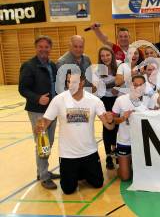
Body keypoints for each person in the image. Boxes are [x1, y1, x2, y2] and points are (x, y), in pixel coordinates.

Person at [36, 71, 114, 194]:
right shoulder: (58, 100)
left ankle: (81, 172)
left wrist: (111, 120)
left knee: (98, 183)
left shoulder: (94, 100)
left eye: (74, 82)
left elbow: (109, 127)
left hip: (89, 152)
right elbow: (44, 123)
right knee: (68, 190)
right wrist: (40, 126)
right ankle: (78, 173)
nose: (71, 85)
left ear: (82, 82)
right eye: (68, 82)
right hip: (68, 154)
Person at [18, 35, 60, 190]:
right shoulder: (29, 66)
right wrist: (37, 98)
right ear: (36, 48)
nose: (43, 49)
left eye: (46, 47)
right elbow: (22, 89)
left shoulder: (52, 65)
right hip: (37, 111)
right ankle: (43, 176)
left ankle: (43, 171)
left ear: (50, 48)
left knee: (49, 142)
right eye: (40, 47)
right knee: (43, 143)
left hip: (52, 110)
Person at [112, 75, 149, 181]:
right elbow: (113, 120)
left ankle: (132, 162)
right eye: (135, 85)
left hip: (142, 142)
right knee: (125, 177)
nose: (137, 88)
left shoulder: (149, 99)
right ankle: (124, 163)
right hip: (125, 141)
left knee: (144, 176)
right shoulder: (121, 100)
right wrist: (124, 117)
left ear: (144, 86)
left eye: (140, 85)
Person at [93, 47, 120, 170]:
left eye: (107, 55)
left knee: (118, 127)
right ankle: (108, 156)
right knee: (107, 127)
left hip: (117, 100)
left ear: (112, 55)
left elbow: (125, 80)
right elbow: (100, 88)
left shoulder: (120, 65)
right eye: (102, 56)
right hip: (104, 100)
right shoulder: (97, 70)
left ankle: (118, 152)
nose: (105, 58)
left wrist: (118, 87)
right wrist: (116, 83)